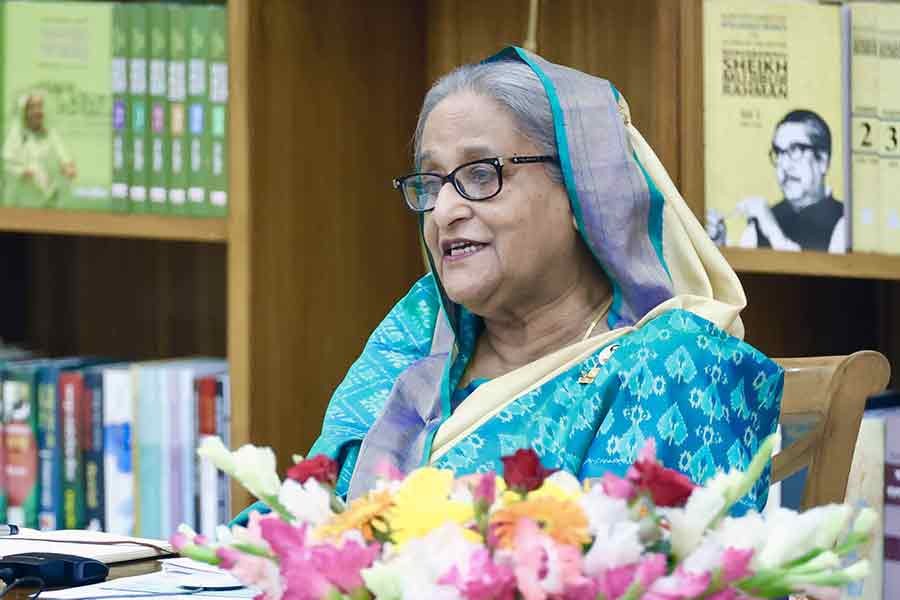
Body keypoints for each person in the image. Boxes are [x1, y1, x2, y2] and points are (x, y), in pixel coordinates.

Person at [234, 47, 783, 523]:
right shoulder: (423, 329)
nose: (445, 210)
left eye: (481, 175)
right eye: (432, 181)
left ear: (584, 189)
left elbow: (640, 574)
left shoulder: (672, 364)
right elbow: (309, 515)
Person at [736, 109, 845, 252]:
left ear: (822, 161)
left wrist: (773, 231)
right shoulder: (758, 226)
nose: (784, 165)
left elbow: (816, 272)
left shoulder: (845, 224)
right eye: (779, 153)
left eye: (795, 150)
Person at [2, 92, 77, 207]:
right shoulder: (15, 134)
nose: (38, 111)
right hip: (20, 201)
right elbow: (6, 165)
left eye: (40, 106)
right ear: (25, 112)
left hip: (46, 201)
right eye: (33, 107)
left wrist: (68, 166)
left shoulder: (50, 133)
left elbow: (63, 155)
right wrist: (22, 171)